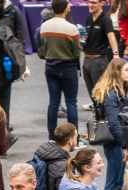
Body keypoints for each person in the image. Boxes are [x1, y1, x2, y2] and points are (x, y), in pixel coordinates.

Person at [91, 58, 128, 190]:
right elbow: (114, 123)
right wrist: (125, 146)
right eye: (126, 70)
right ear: (117, 72)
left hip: (117, 141)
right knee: (113, 183)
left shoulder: (117, 91)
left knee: (116, 183)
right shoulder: (111, 94)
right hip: (116, 142)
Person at [38, 0, 81, 140]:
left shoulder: (44, 27)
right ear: (65, 8)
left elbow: (41, 50)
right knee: (71, 102)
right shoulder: (72, 28)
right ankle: (73, 137)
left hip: (50, 67)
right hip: (68, 68)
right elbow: (76, 52)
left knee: (53, 103)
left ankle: (51, 137)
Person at [82, 0, 120, 106]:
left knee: (100, 92)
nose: (90, 5)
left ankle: (104, 117)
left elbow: (111, 37)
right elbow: (87, 38)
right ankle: (98, 114)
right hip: (86, 61)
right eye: (89, 2)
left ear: (101, 3)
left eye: (93, 2)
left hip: (98, 62)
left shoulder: (105, 19)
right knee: (92, 92)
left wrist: (116, 55)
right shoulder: (88, 18)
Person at [33, 122, 77, 190]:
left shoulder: (44, 151)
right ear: (70, 141)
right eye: (76, 137)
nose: (77, 140)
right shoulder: (63, 165)